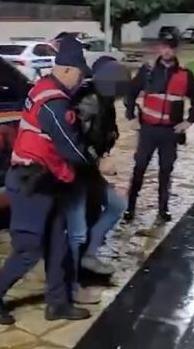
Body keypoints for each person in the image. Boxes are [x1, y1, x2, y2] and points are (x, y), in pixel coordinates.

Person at [0, 37, 96, 325]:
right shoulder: (54, 103)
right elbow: (70, 145)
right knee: (29, 248)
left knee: (58, 244)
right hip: (30, 182)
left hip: (45, 179)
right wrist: (97, 163)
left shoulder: (44, 88)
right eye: (80, 74)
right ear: (67, 70)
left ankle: (58, 304)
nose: (81, 81)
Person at [123, 33, 194, 223]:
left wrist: (189, 121)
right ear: (158, 49)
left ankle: (163, 209)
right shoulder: (148, 71)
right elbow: (131, 92)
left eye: (171, 47)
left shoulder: (185, 75)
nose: (167, 51)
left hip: (170, 132)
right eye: (164, 46)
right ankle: (130, 208)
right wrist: (131, 116)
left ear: (176, 50)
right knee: (139, 168)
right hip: (148, 130)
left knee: (166, 170)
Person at [65, 56, 129, 282]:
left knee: (117, 204)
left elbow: (105, 133)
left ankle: (88, 256)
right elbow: (74, 141)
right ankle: (69, 278)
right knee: (77, 229)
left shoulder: (105, 101)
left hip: (88, 170)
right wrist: (98, 160)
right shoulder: (90, 102)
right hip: (74, 172)